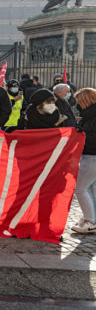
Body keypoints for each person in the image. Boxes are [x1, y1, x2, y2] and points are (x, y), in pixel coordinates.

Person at [72, 88, 96, 233]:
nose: (78, 104)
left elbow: (92, 139)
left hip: (92, 155)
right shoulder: (90, 115)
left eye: (80, 101)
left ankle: (90, 221)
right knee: (91, 189)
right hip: (90, 155)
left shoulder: (92, 116)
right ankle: (91, 218)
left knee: (80, 189)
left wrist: (81, 137)